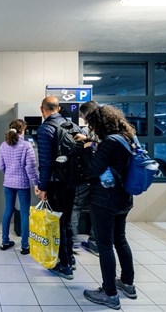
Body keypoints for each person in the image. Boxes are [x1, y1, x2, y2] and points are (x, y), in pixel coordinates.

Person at [82, 105, 138, 310]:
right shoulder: (126, 138)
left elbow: (92, 170)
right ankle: (128, 284)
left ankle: (109, 293)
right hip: (124, 198)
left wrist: (88, 149)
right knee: (120, 240)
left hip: (105, 200)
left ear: (99, 124)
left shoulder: (109, 142)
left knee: (105, 246)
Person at [37, 96, 79, 279]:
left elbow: (45, 162)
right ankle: (70, 257)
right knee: (67, 220)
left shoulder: (46, 128)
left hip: (56, 183)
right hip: (72, 181)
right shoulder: (72, 126)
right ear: (59, 108)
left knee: (58, 223)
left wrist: (42, 187)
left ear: (42, 109)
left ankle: (64, 265)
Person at [0, 119, 39, 254]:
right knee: (25, 213)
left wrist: (9, 173)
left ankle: (5, 242)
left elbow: (0, 165)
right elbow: (30, 167)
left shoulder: (3, 145)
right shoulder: (26, 145)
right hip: (23, 184)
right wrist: (36, 183)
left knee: (8, 210)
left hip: (8, 183)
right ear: (22, 130)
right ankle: (25, 246)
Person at [71, 100, 99, 257]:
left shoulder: (93, 131)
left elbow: (95, 147)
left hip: (85, 175)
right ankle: (94, 241)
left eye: (82, 115)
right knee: (95, 209)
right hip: (99, 177)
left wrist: (86, 141)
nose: (82, 118)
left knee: (75, 206)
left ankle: (74, 240)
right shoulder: (104, 128)